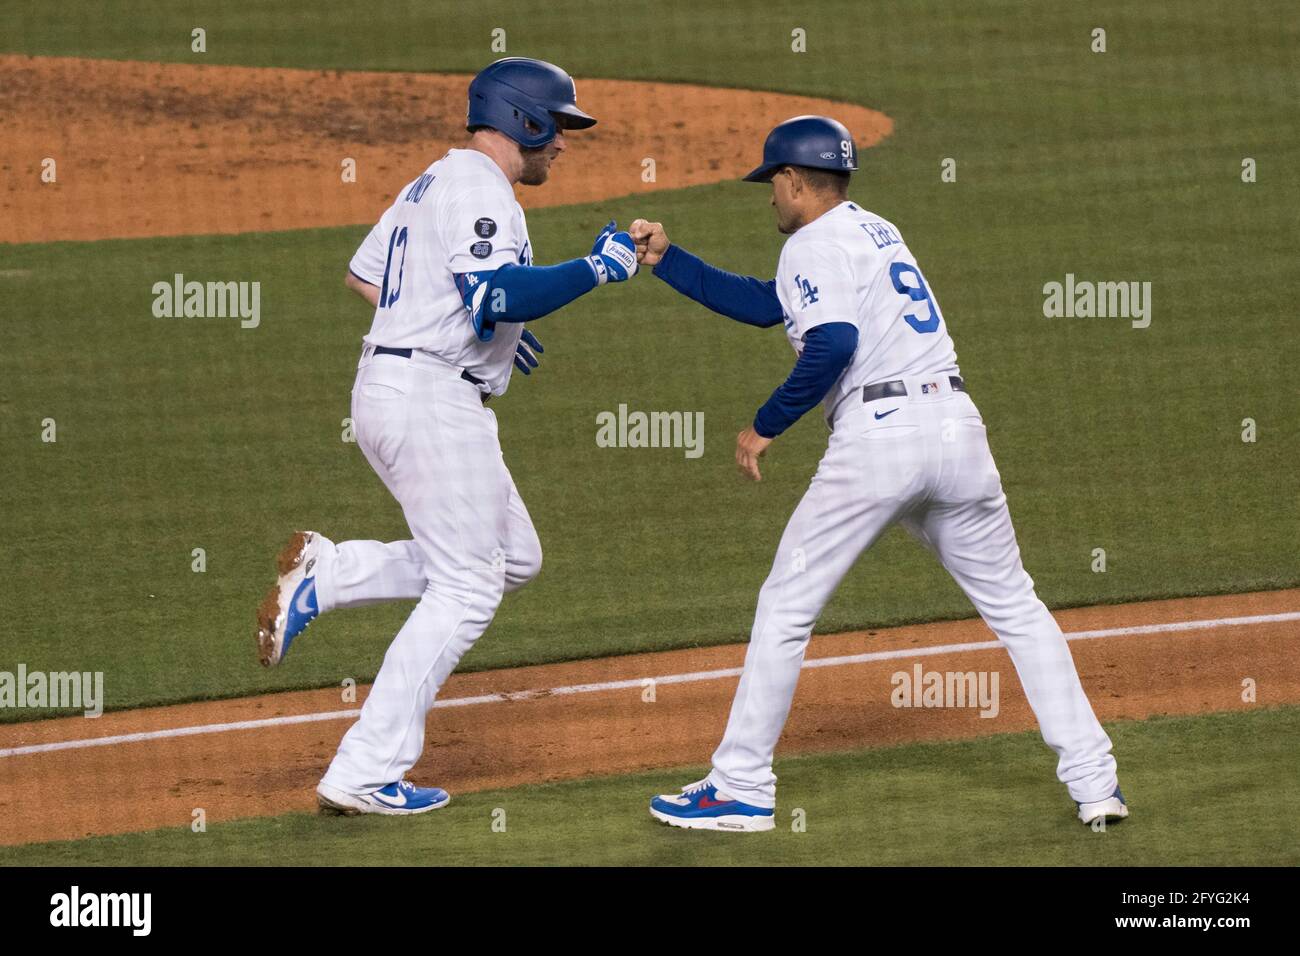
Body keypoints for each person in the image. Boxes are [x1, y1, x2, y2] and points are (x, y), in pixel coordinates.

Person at [632, 115, 1126, 831]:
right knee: (1017, 608)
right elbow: (770, 307)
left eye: (773, 182)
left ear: (796, 181)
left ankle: (740, 785)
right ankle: (1096, 786)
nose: (769, 196)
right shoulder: (874, 231)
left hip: (881, 441)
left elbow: (832, 342)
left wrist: (764, 424)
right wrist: (670, 259)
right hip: (958, 433)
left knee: (786, 606)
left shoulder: (809, 243)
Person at [253, 58, 638, 816]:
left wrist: (481, 333)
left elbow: (370, 278)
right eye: (557, 126)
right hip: (429, 398)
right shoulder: (475, 187)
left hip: (405, 385)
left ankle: (330, 575)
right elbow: (493, 290)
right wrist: (596, 267)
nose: (563, 142)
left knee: (513, 558)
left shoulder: (433, 179)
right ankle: (363, 769)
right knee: (467, 587)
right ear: (524, 120)